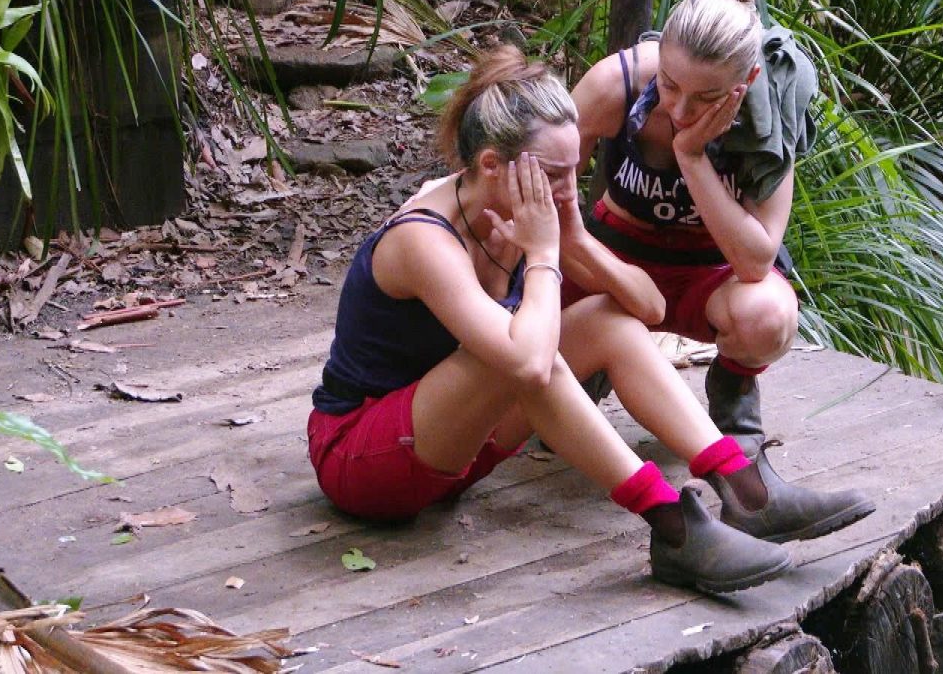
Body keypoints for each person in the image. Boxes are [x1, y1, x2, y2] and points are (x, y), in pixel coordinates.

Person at [308, 48, 864, 595]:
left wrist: (572, 234)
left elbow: (648, 310)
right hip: (364, 460)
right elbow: (529, 362)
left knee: (605, 319)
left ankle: (744, 489)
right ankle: (672, 525)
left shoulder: (527, 213)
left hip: (460, 450)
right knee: (527, 353)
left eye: (575, 169)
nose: (565, 188)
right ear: (491, 166)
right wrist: (544, 254)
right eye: (553, 174)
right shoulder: (424, 239)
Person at [567, 0, 875, 533]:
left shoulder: (770, 108)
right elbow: (541, 200)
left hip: (711, 276)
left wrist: (691, 158)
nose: (681, 108)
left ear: (746, 80)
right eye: (669, 84)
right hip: (614, 268)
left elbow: (757, 260)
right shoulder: (614, 84)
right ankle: (586, 376)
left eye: (707, 97)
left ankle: (734, 408)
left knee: (769, 315)